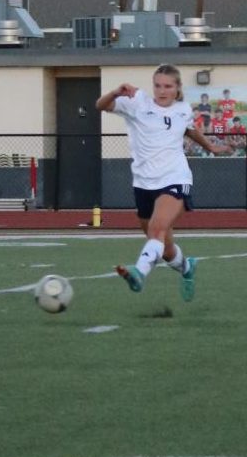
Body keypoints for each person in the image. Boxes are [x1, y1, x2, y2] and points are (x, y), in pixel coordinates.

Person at [97, 64, 229, 300]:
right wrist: (116, 92)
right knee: (165, 248)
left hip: (175, 178)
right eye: (158, 85)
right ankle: (187, 267)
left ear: (177, 88)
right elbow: (101, 106)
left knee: (157, 229)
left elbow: (189, 129)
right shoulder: (137, 102)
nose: (162, 90)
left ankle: (139, 272)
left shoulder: (183, 109)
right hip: (143, 183)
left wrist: (210, 146)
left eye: (168, 86)